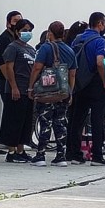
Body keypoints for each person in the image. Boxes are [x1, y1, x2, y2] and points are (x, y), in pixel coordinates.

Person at [28, 21, 77, 167]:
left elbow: (37, 68)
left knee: (45, 121)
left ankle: (41, 155)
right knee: (60, 122)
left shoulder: (46, 48)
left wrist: (31, 87)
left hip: (47, 91)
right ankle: (60, 156)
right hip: (63, 92)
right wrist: (70, 91)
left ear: (50, 33)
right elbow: (73, 74)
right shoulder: (69, 50)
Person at [67, 12, 105, 166]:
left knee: (77, 119)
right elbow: (100, 62)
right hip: (95, 82)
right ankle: (97, 156)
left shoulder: (78, 38)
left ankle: (74, 154)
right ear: (100, 23)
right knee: (97, 120)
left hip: (79, 83)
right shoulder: (100, 40)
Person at [0, 19, 36, 162]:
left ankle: (21, 150)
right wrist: (13, 86)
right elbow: (9, 67)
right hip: (15, 89)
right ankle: (11, 151)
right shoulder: (12, 47)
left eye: (29, 30)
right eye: (24, 30)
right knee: (13, 120)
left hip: (27, 90)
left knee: (25, 122)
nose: (27, 33)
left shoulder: (31, 49)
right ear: (17, 31)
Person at [0, 11, 23, 100]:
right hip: (5, 81)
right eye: (15, 21)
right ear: (8, 23)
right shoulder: (5, 39)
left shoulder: (16, 39)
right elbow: (3, 64)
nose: (18, 24)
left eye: (20, 21)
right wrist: (12, 86)